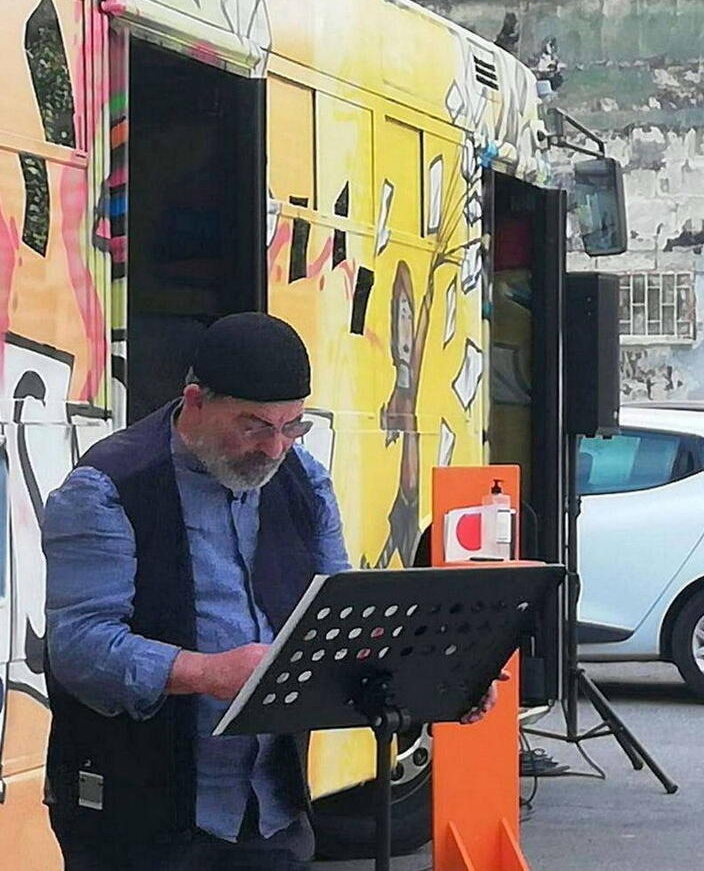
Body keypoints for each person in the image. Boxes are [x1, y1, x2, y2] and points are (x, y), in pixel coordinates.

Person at [41, 312, 498, 870]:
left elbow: (341, 620)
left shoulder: (305, 480)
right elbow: (79, 647)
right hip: (138, 819)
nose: (275, 448)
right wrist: (206, 672)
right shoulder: (107, 488)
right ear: (196, 402)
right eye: (254, 427)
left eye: (293, 427)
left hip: (271, 811)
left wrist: (443, 675)